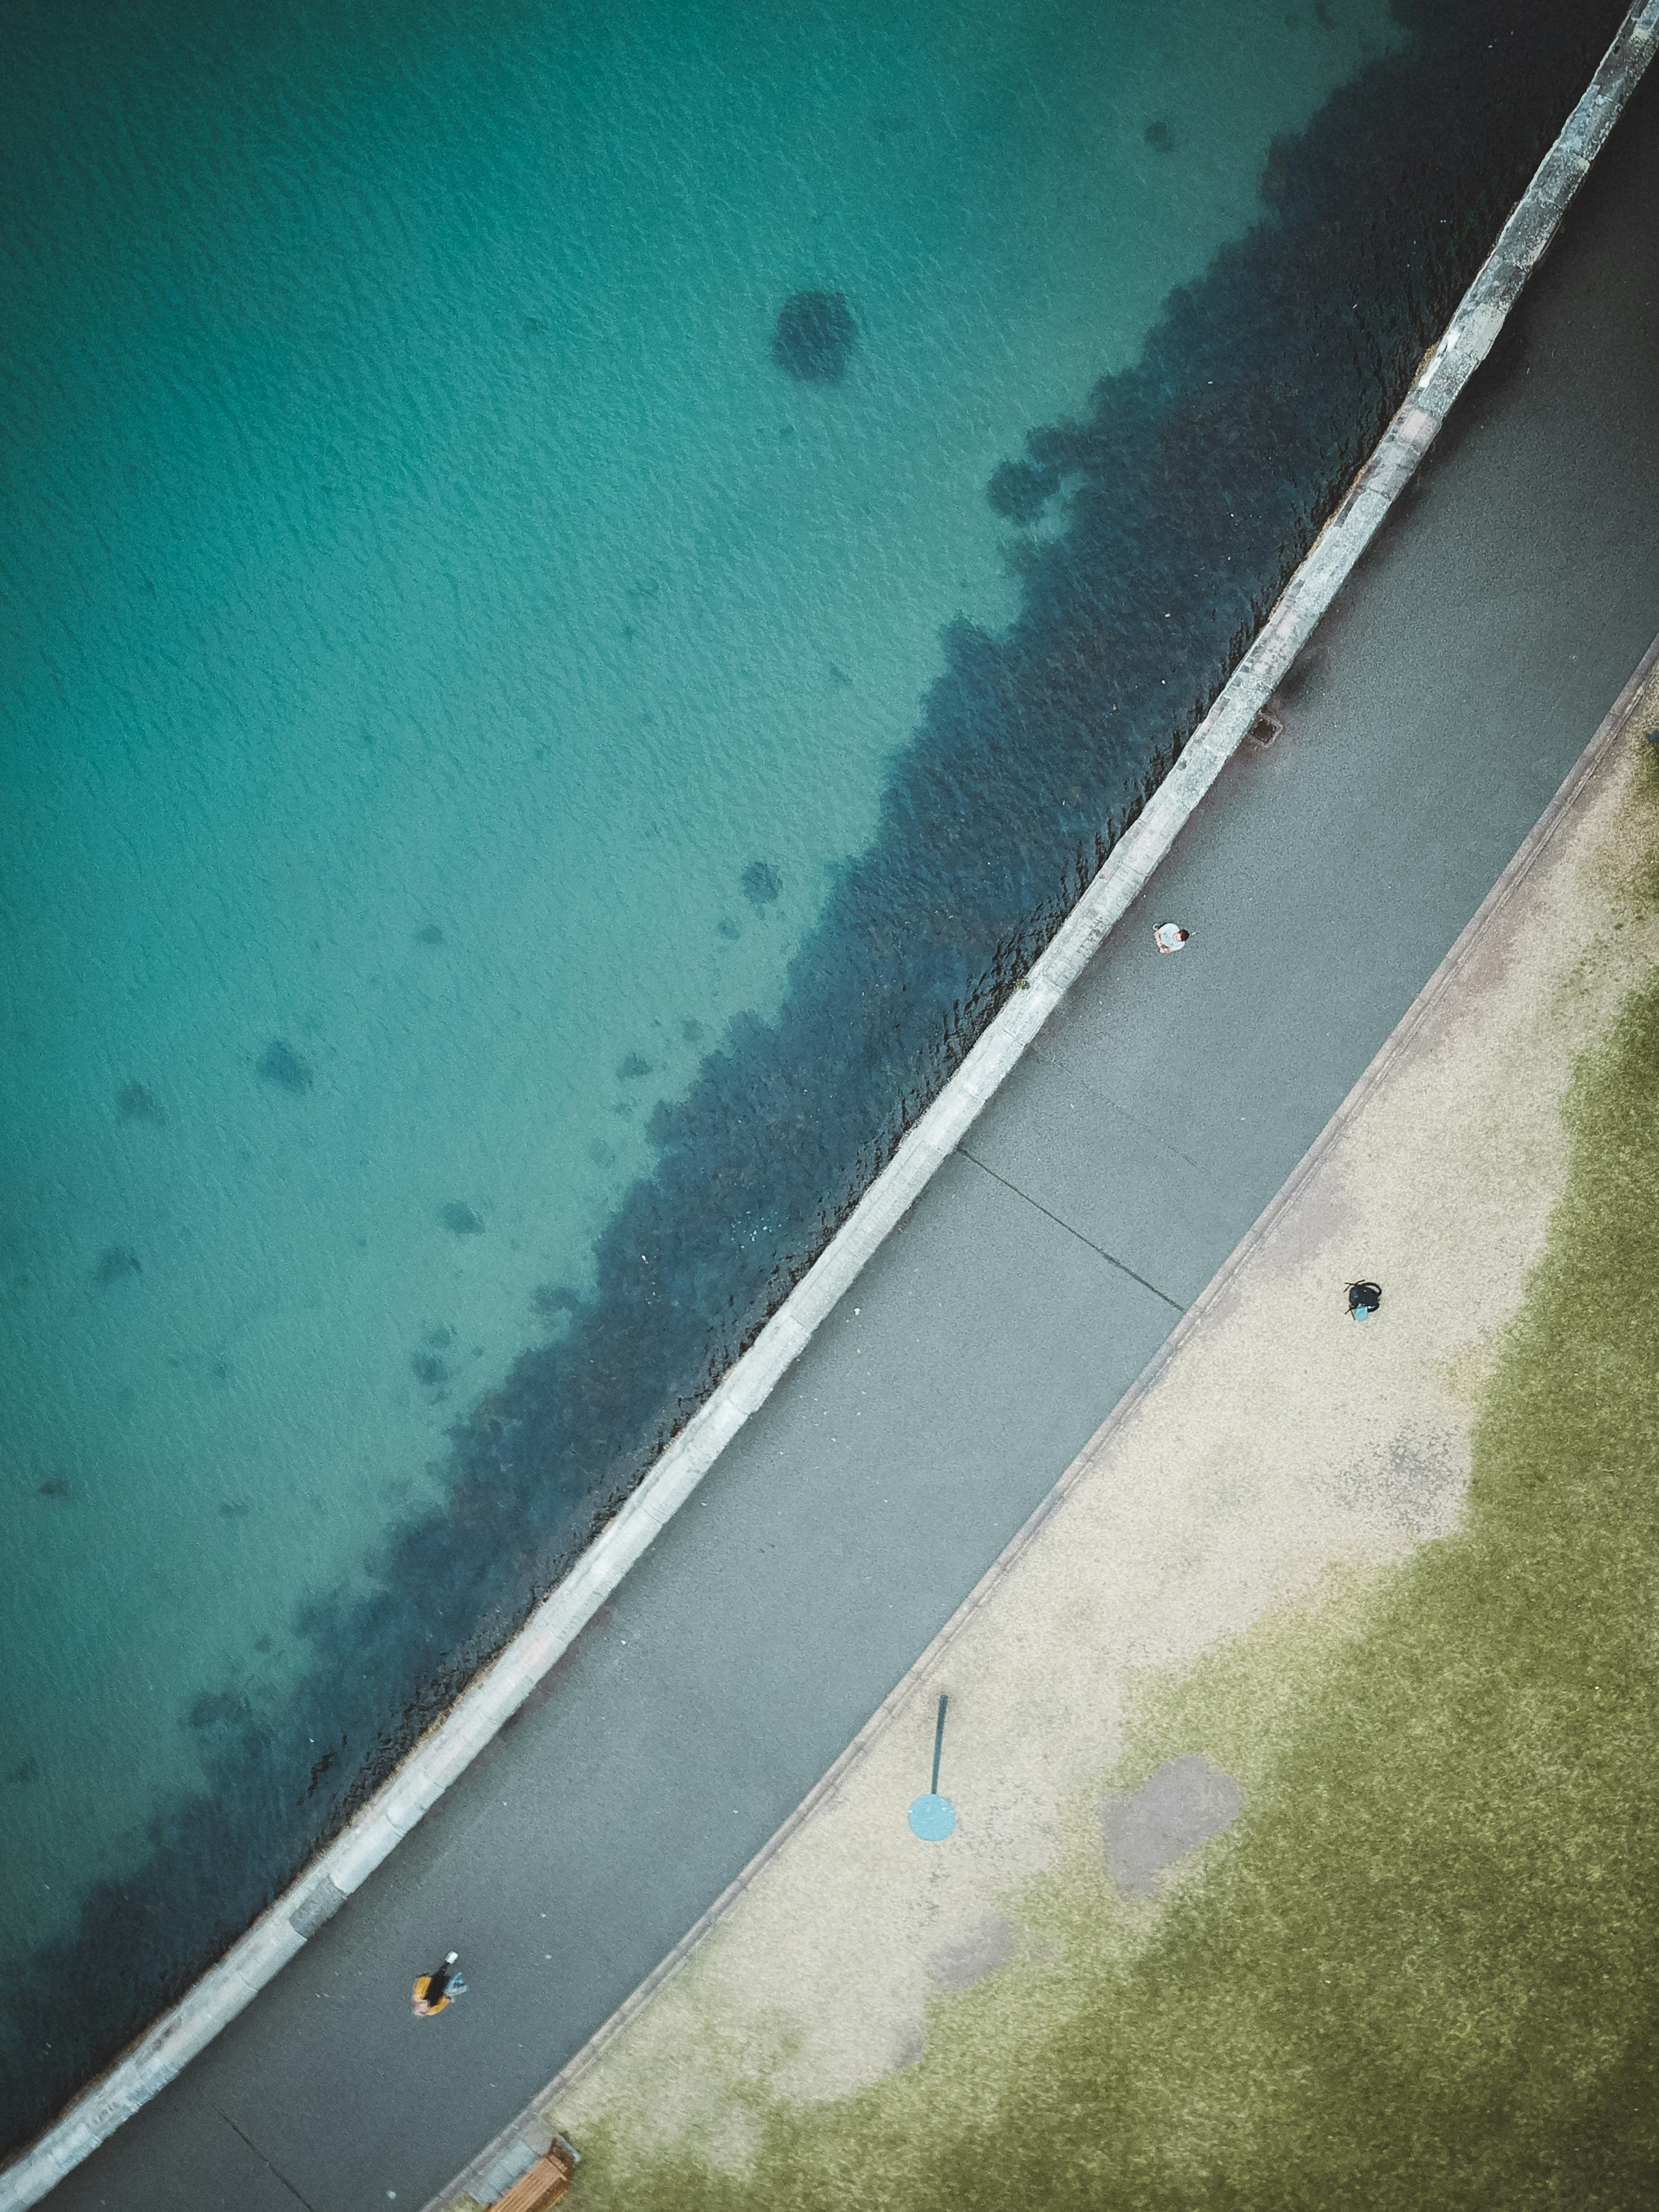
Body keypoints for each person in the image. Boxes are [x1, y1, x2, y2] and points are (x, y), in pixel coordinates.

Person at [412, 1951, 467, 2016]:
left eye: (420, 2004)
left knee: (440, 1974)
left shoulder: (419, 1995)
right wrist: (447, 1998)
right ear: (427, 2010)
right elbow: (441, 2005)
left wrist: (425, 1977)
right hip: (442, 1993)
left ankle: (447, 1963)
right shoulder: (433, 2010)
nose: (423, 2004)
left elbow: (421, 1984)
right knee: (450, 1983)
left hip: (432, 1984)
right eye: (424, 2007)